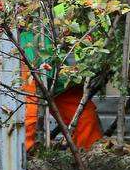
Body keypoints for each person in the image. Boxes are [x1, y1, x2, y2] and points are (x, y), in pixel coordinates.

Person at [21, 18, 102, 151]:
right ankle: (24, 164)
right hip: (29, 59)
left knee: (84, 117)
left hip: (61, 72)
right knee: (29, 119)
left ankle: (89, 161)